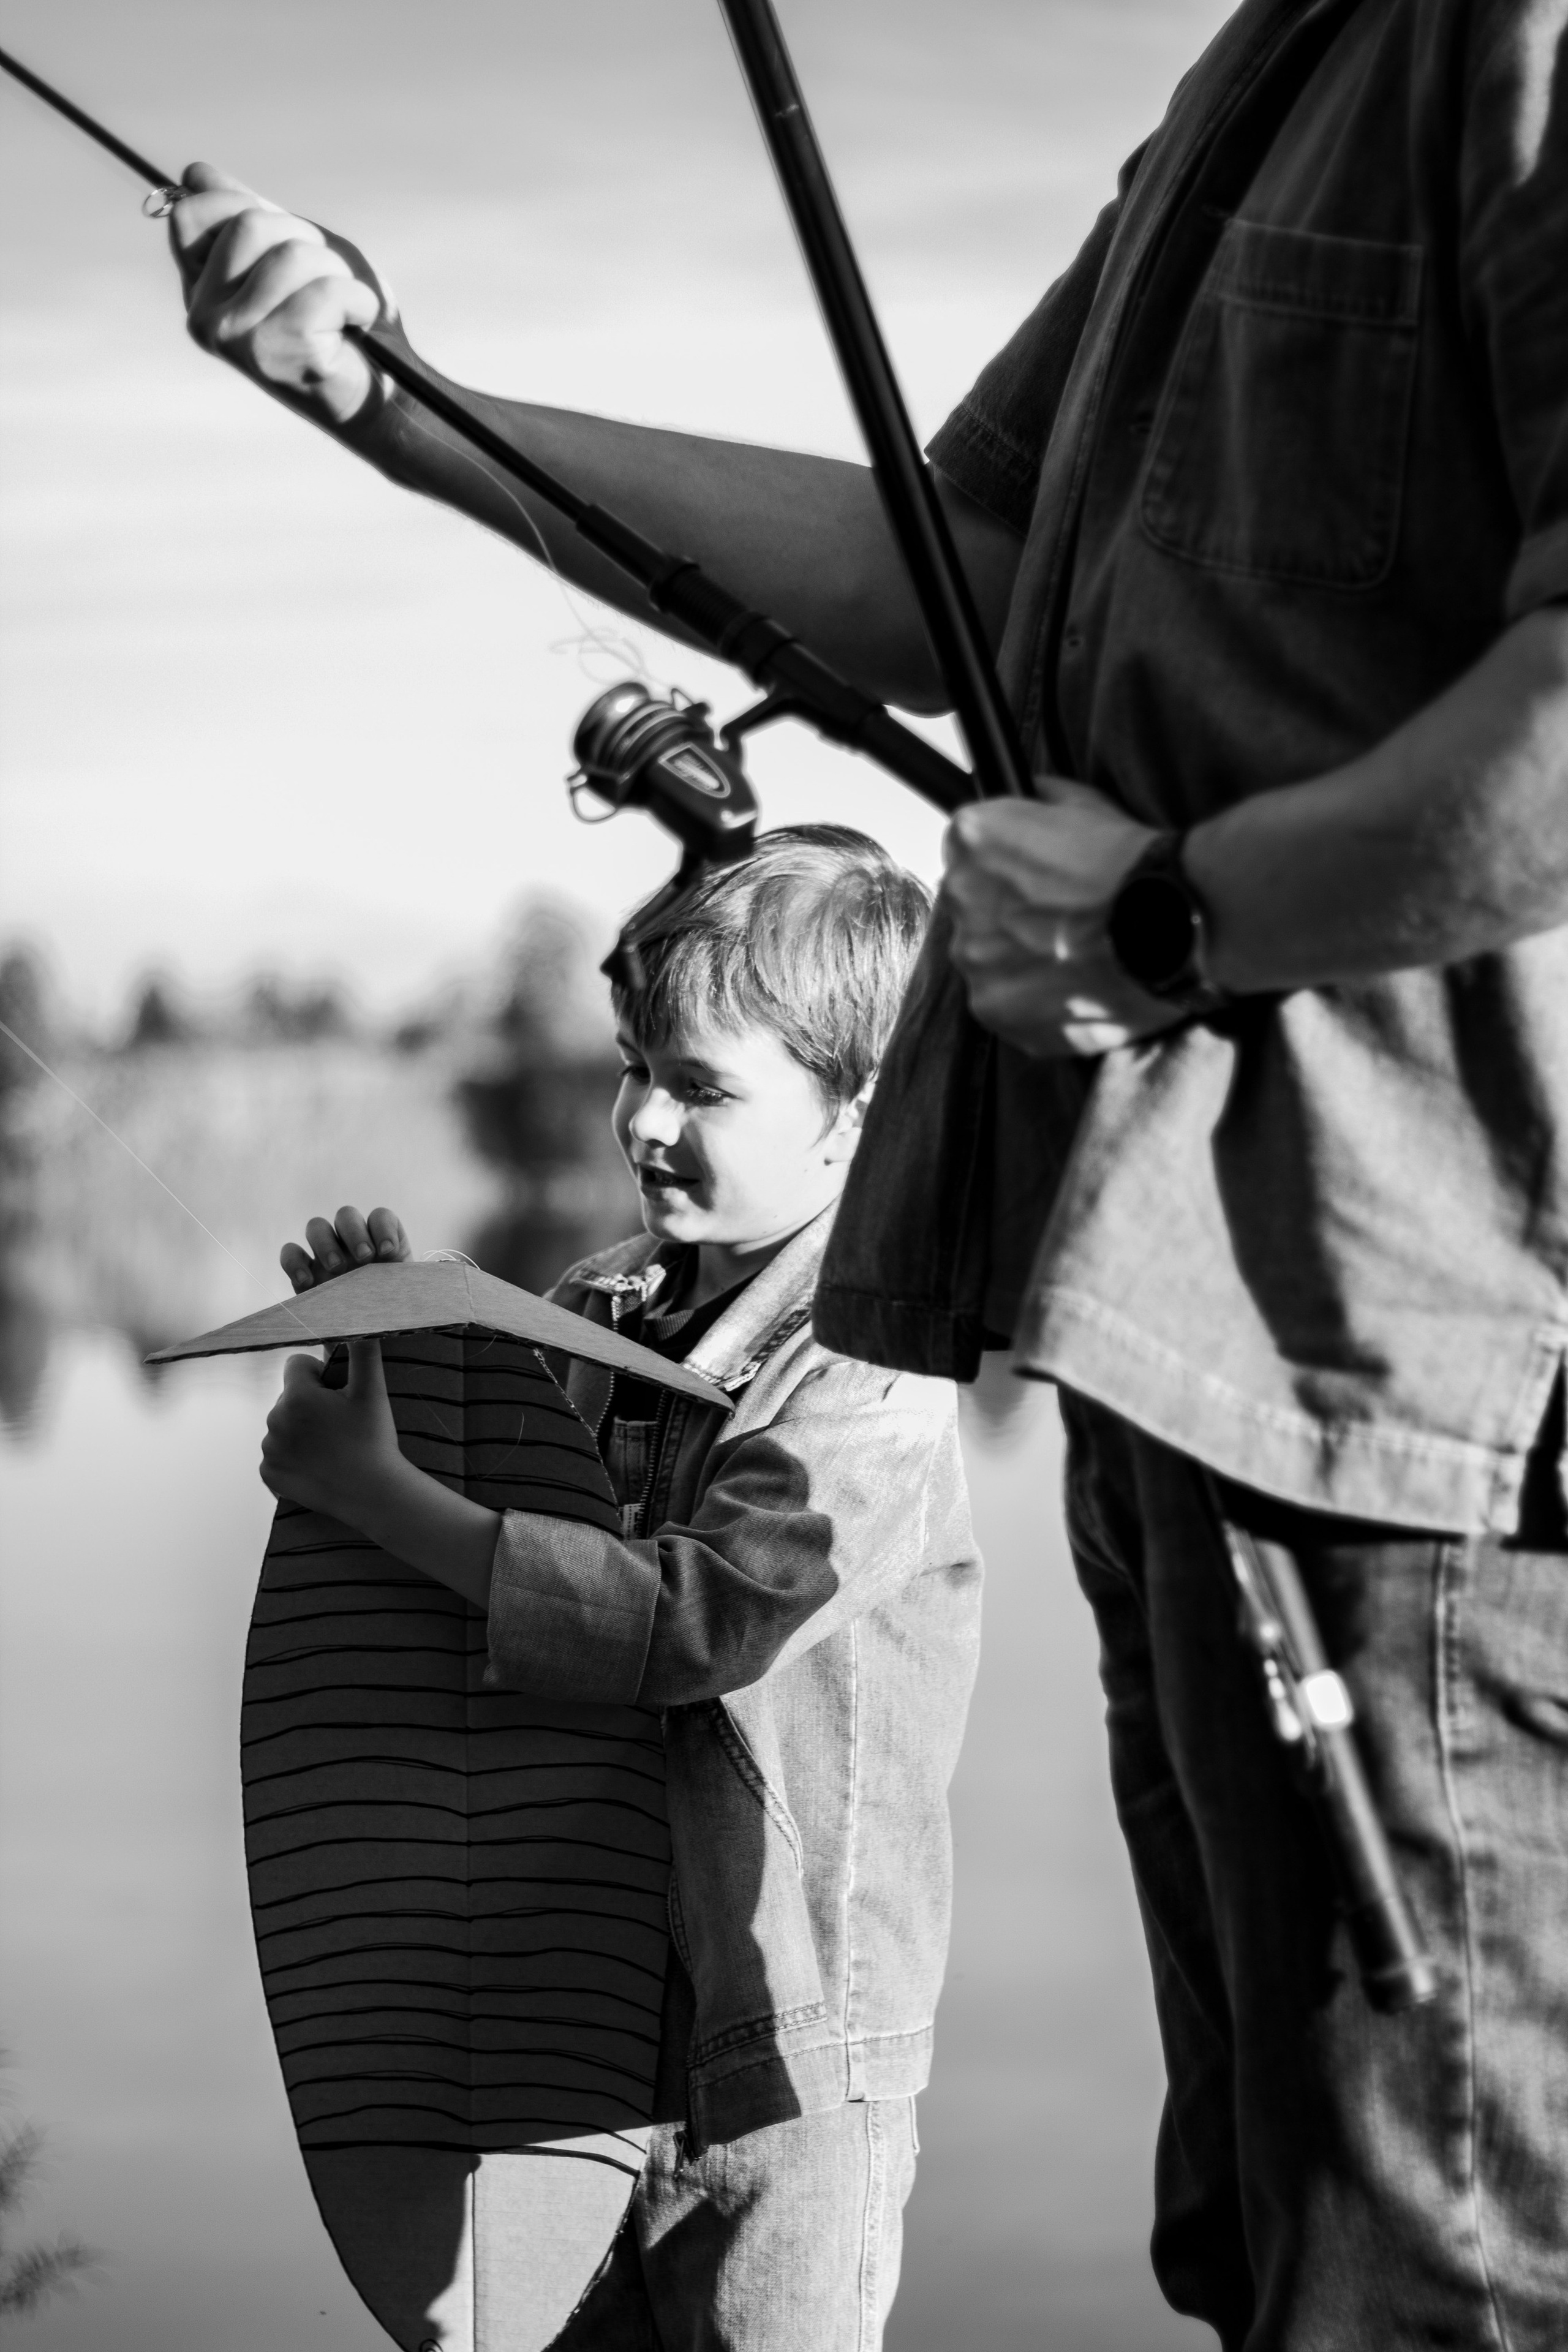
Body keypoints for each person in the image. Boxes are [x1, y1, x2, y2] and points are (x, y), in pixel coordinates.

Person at [169, 0, 1568, 2334]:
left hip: (1409, 1401)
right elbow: (965, 555)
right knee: (1276, 2251)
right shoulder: (1266, 71)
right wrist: (397, 402)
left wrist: (1169, 915)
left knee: (1432, 2282)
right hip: (1174, 1375)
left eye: (697, 1088)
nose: (641, 1126)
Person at [257, 826, 981, 2351]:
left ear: (861, 1116)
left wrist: (376, 1498)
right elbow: (496, 1555)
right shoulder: (593, 1306)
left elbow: (694, 1622)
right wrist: (406, 1346)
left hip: (784, 2069)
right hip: (568, 2019)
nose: (644, 1119)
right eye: (633, 1064)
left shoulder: (875, 1363)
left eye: (703, 1088)